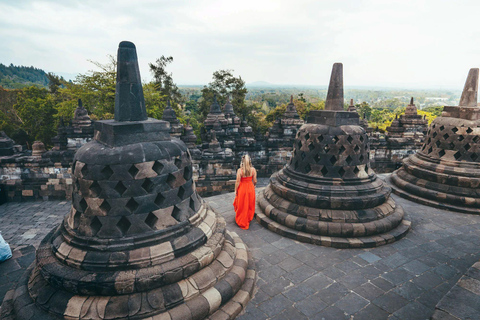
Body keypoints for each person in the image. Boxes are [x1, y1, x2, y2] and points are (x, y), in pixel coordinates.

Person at [233, 154, 257, 229]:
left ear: (242, 162)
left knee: (242, 204)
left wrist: (235, 190)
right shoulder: (253, 170)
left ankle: (242, 219)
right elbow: (255, 181)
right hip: (250, 188)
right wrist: (254, 185)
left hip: (242, 188)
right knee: (249, 203)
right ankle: (248, 217)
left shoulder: (240, 171)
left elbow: (237, 181)